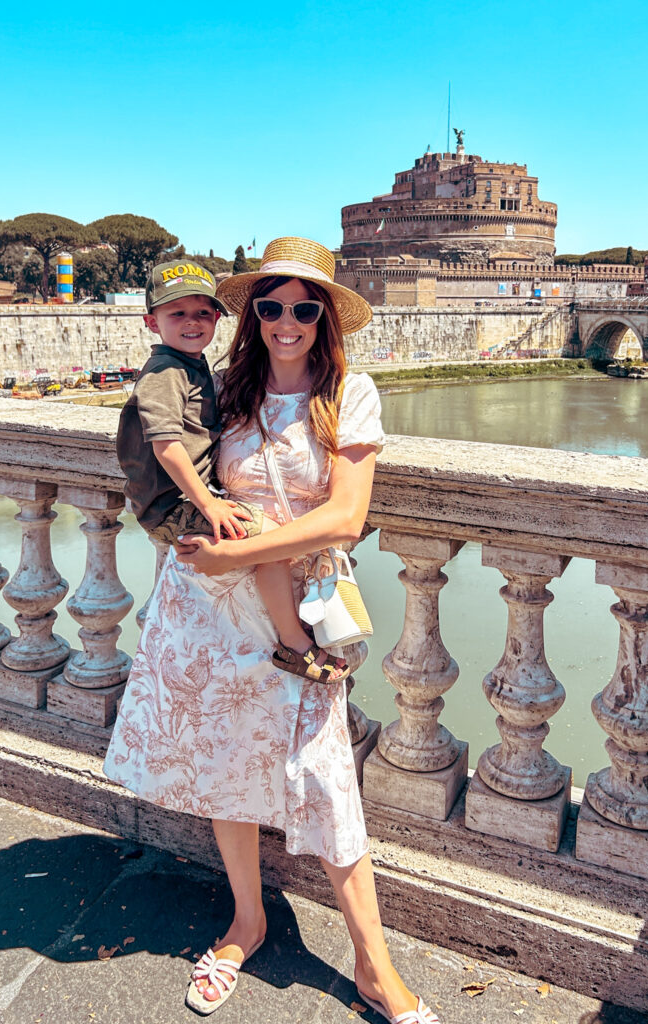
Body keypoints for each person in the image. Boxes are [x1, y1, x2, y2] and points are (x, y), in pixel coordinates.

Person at [104, 237, 440, 1024]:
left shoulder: (351, 394)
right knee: (226, 765)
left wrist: (243, 553)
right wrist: (195, 545)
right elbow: (166, 461)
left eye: (304, 306)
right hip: (213, 609)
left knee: (326, 781)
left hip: (296, 615)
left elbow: (345, 518)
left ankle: (373, 965)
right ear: (251, 315)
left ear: (325, 317)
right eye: (271, 305)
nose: (287, 320)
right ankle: (246, 926)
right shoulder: (224, 388)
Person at [116, 258, 348, 684]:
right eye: (177, 313)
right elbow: (166, 446)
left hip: (184, 509)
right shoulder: (166, 373)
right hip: (176, 507)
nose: (192, 322)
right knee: (269, 539)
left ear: (219, 318)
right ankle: (295, 645)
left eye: (203, 312)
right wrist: (211, 506)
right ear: (152, 322)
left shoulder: (196, 369)